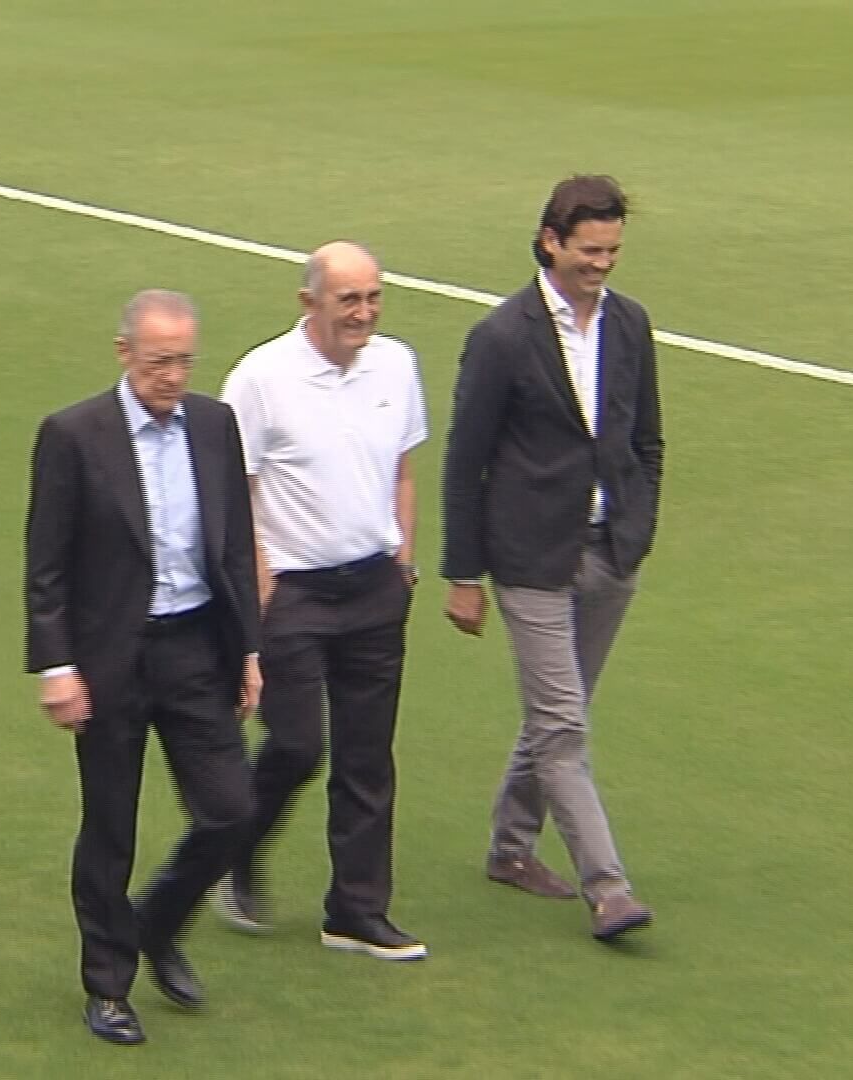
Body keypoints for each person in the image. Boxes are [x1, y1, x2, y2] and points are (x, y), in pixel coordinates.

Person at [24, 289, 262, 1046]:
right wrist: (57, 666)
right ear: (124, 353)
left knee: (232, 809)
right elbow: (47, 566)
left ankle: (155, 924)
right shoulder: (73, 436)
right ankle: (108, 987)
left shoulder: (215, 426)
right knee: (110, 828)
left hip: (195, 646)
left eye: (185, 360)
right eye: (160, 361)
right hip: (110, 659)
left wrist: (248, 650)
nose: (173, 376)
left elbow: (234, 544)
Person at [440, 174, 664, 941]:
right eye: (590, 250)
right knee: (563, 724)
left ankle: (510, 847)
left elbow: (647, 440)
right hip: (532, 558)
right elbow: (463, 460)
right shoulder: (503, 337)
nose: (602, 264)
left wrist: (639, 526)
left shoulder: (630, 326)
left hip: (610, 554)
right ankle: (609, 889)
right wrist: (463, 575)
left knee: (557, 715)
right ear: (550, 241)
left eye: (612, 250)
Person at [213, 241, 429, 961]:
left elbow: (403, 466)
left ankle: (356, 911)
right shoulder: (261, 378)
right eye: (349, 301)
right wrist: (261, 587)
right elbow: (232, 492)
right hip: (293, 594)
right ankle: (235, 842)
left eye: (373, 298)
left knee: (369, 756)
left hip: (373, 584)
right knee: (300, 743)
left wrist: (403, 558)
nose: (363, 313)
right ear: (310, 303)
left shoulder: (396, 364)